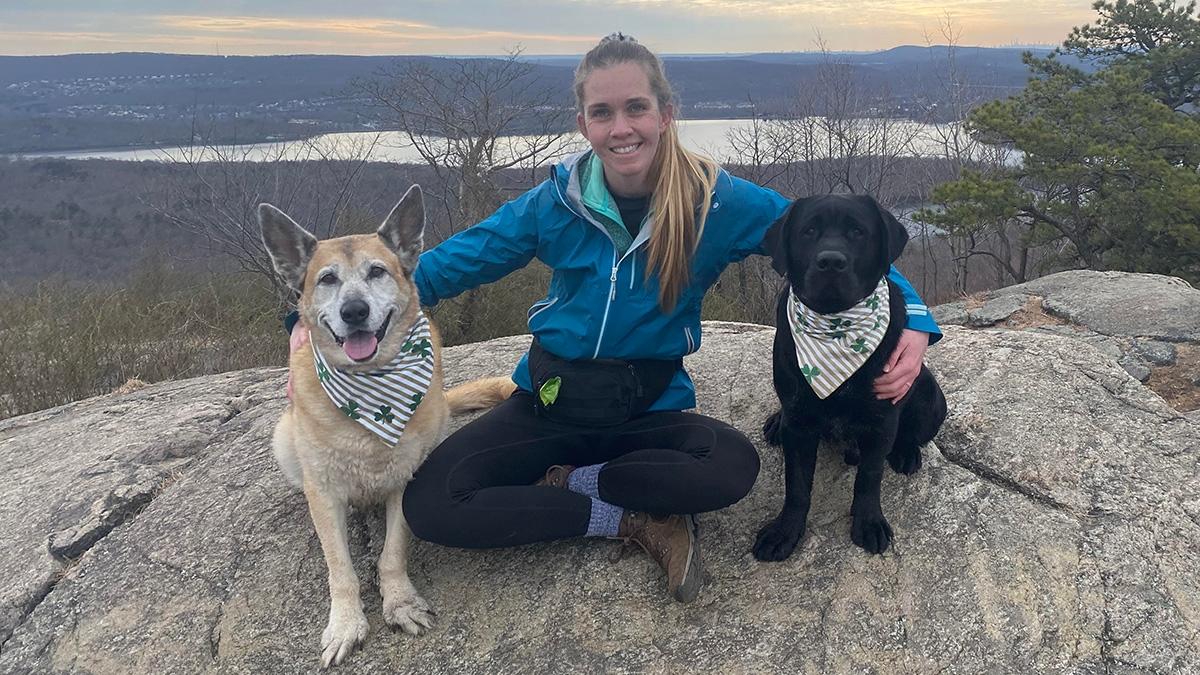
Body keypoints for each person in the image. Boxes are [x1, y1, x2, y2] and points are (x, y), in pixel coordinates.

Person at [287, 33, 941, 603]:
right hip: (549, 400)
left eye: (635, 107)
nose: (620, 126)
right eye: (603, 112)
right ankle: (622, 514)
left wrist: (912, 316)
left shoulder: (717, 200)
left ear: (665, 114)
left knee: (733, 467)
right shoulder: (555, 202)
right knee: (434, 503)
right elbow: (449, 264)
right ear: (584, 123)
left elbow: (830, 236)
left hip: (647, 408)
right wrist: (320, 326)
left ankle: (572, 488)